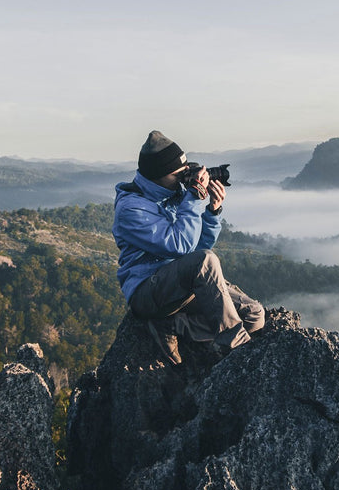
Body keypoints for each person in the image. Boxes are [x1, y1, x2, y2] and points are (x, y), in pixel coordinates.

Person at [112, 130, 264, 364]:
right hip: (148, 291)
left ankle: (174, 325)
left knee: (254, 316)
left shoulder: (174, 194)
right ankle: (236, 349)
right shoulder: (131, 209)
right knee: (206, 260)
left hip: (180, 286)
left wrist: (213, 212)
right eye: (179, 174)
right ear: (157, 175)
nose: (184, 179)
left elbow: (195, 249)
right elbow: (181, 247)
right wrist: (192, 197)